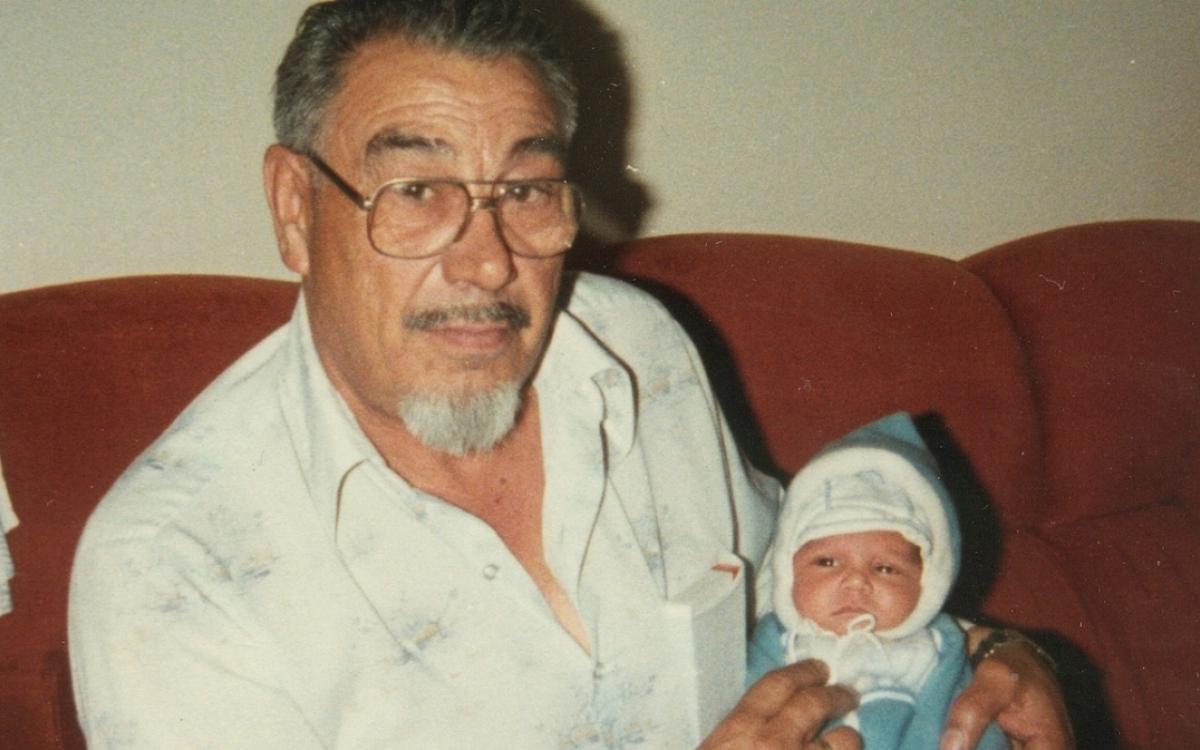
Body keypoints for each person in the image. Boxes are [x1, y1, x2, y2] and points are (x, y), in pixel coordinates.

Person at [67, 1, 1070, 747]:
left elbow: (794, 585)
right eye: (416, 190)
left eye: (529, 190)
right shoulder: (173, 565)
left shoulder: (640, 350)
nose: (488, 260)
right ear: (294, 207)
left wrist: (982, 652)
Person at [746, 412, 1009, 749]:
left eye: (885, 568)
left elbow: (969, 731)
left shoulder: (935, 650)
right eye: (826, 562)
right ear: (787, 571)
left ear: (927, 583)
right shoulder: (775, 645)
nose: (856, 582)